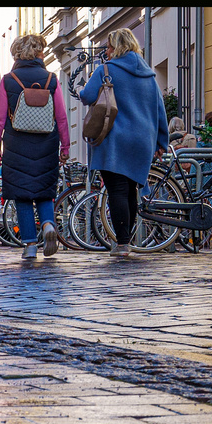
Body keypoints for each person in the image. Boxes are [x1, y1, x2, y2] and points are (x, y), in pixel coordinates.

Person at [78, 28, 167, 256]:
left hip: (115, 140)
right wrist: (161, 142)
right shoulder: (149, 76)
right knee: (130, 191)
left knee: (117, 190)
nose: (106, 52)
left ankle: (123, 243)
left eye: (108, 47)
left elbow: (87, 96)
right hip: (142, 141)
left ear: (117, 47)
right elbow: (160, 110)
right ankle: (125, 241)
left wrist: (87, 87)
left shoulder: (106, 70)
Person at [0, 33, 70, 262]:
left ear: (17, 53)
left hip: (16, 145)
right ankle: (47, 225)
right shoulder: (51, 79)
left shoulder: (8, 80)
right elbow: (61, 117)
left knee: (22, 196)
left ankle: (30, 245)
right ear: (39, 53)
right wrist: (65, 147)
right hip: (47, 143)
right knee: (44, 191)